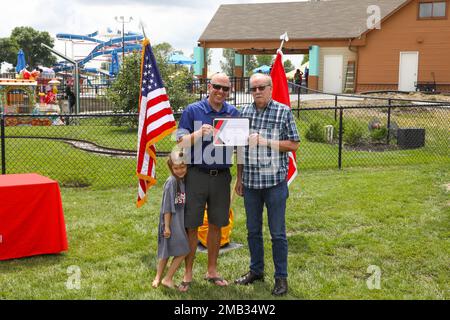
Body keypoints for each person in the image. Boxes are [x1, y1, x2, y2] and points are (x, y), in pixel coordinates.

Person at [234, 73, 300, 296]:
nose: (257, 92)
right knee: (253, 231)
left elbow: (294, 144)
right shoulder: (244, 113)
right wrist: (239, 178)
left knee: (277, 233)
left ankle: (281, 278)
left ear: (270, 88)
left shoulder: (283, 111)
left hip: (274, 184)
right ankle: (256, 271)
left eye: (261, 87)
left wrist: (266, 141)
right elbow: (241, 149)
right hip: (251, 184)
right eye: (253, 89)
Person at [177, 73, 239, 290]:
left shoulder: (233, 114)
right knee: (191, 225)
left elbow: (239, 149)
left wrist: (240, 177)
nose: (220, 92)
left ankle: (212, 270)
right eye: (216, 87)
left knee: (216, 225)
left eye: (225, 89)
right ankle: (188, 272)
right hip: (196, 175)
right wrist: (197, 134)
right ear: (208, 87)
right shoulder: (192, 111)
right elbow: (180, 142)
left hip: (221, 177)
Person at [152, 149, 190, 290]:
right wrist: (167, 226)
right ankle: (163, 278)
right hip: (170, 222)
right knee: (181, 250)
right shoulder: (171, 182)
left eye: (182, 167)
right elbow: (167, 207)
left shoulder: (183, 181)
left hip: (178, 221)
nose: (179, 170)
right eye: (176, 168)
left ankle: (162, 278)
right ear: (171, 168)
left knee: (168, 250)